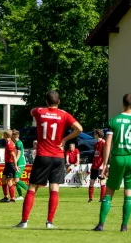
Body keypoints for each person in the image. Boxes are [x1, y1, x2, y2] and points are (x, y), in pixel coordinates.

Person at [14, 90, 83, 229]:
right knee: (54, 188)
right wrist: (64, 139)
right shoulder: (64, 115)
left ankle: (24, 222)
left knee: (32, 187)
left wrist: (44, 109)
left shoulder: (39, 112)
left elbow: (32, 111)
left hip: (43, 156)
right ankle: (49, 222)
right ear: (59, 102)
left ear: (46, 102)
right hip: (58, 156)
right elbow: (79, 128)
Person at [93, 94, 131, 232]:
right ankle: (124, 226)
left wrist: (105, 165)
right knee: (129, 193)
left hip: (118, 157)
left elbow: (107, 144)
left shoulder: (114, 121)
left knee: (109, 191)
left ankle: (101, 224)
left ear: (123, 104)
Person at [0, 130, 18, 203]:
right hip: (7, 164)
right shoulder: (9, 143)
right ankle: (6, 197)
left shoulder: (10, 144)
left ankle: (12, 198)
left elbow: (13, 155)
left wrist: (15, 165)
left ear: (5, 135)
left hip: (10, 164)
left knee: (9, 181)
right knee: (3, 180)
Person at [88, 129, 107, 203]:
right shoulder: (96, 144)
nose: (94, 135)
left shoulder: (103, 143)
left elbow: (105, 155)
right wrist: (92, 164)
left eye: (94, 134)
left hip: (100, 166)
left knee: (102, 182)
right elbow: (95, 155)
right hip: (94, 166)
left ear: (97, 134)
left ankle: (102, 199)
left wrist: (102, 165)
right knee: (91, 182)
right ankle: (90, 199)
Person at [13, 130, 28, 201]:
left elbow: (18, 153)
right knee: (16, 180)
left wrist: (15, 161)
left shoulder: (18, 143)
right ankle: (20, 196)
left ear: (13, 136)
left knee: (16, 179)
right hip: (19, 163)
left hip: (20, 163)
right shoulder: (18, 142)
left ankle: (29, 190)